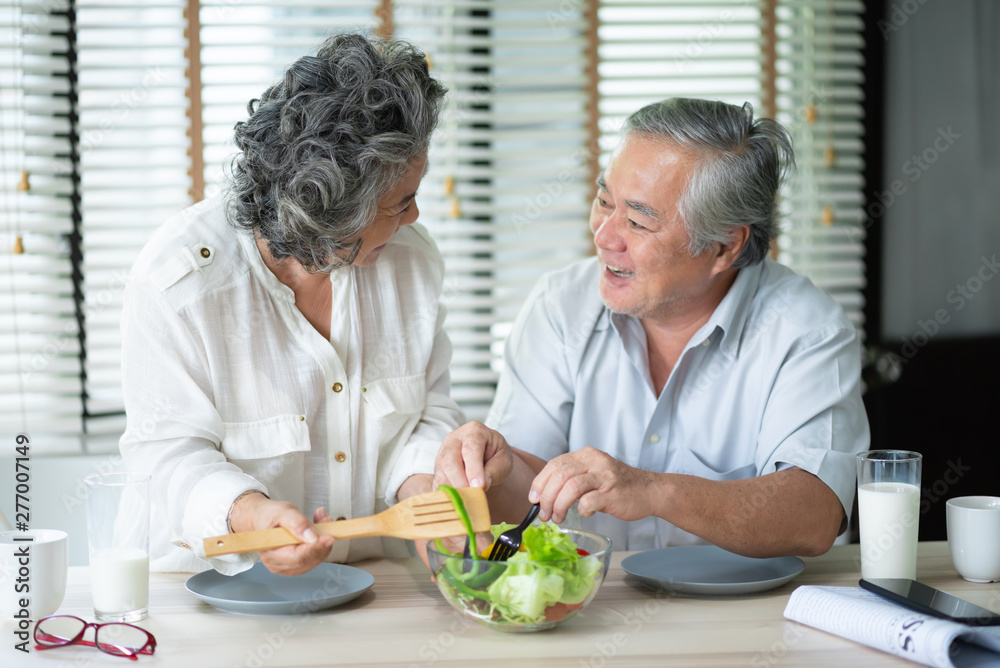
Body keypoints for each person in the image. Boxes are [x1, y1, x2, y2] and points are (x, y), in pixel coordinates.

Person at [434, 97, 870, 558]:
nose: (604, 236)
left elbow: (814, 516)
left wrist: (654, 491)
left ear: (724, 246)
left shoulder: (808, 332)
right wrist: (493, 466)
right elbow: (525, 497)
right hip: (596, 611)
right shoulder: (560, 305)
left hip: (756, 618)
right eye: (604, 200)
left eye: (638, 222)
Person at [119, 33, 460, 576]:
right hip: (202, 598)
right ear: (336, 214)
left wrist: (424, 492)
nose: (415, 219)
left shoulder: (411, 263)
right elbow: (166, 456)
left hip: (377, 587)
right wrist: (250, 516)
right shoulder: (179, 283)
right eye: (401, 203)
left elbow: (429, 412)